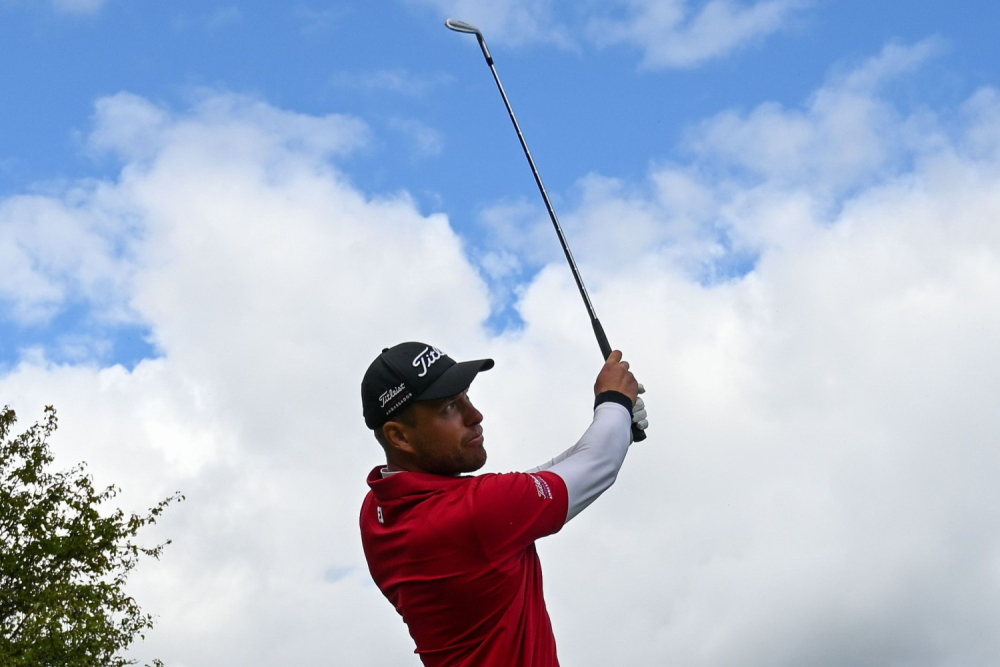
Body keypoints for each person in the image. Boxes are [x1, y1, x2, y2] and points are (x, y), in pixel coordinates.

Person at [359, 341, 648, 667]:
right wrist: (614, 401)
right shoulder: (475, 513)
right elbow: (598, 463)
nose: (475, 415)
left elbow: (536, 484)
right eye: (449, 408)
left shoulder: (377, 511)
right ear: (399, 437)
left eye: (465, 397)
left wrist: (616, 421)